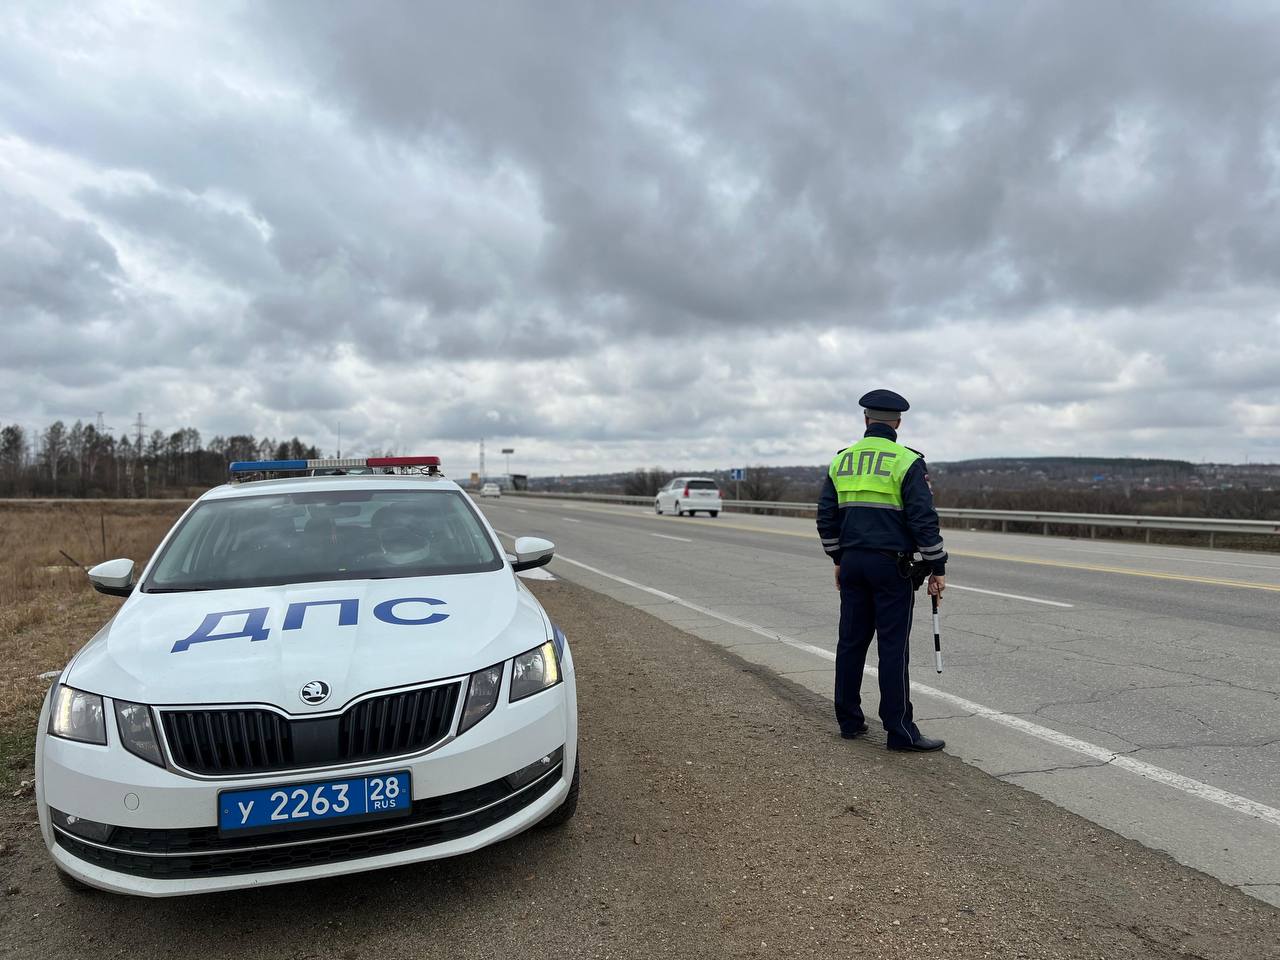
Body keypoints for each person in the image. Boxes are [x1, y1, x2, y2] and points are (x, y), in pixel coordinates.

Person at [816, 389, 948, 752]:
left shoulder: (842, 460)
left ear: (865, 420)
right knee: (892, 648)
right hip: (891, 566)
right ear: (898, 423)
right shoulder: (906, 461)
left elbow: (826, 518)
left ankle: (849, 722)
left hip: (854, 562)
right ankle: (900, 731)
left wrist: (838, 559)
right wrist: (937, 566)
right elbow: (923, 519)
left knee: (851, 642)